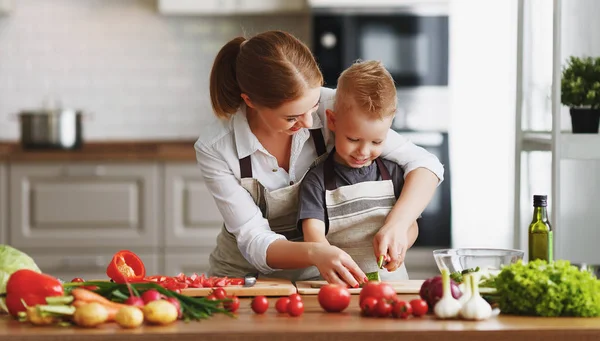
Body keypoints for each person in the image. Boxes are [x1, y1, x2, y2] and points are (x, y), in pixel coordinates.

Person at [195, 30, 443, 287]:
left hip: (318, 275)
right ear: (251, 102)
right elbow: (253, 239)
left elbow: (425, 165)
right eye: (291, 117)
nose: (307, 122)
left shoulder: (334, 105)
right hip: (248, 277)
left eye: (312, 108)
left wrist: (398, 224)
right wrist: (316, 252)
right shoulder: (217, 148)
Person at [297, 60, 418, 283]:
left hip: (391, 285)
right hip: (339, 283)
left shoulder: (394, 173)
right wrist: (333, 262)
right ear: (332, 120)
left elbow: (410, 226)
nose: (363, 151)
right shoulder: (317, 181)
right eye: (353, 139)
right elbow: (313, 235)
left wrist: (401, 245)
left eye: (376, 141)